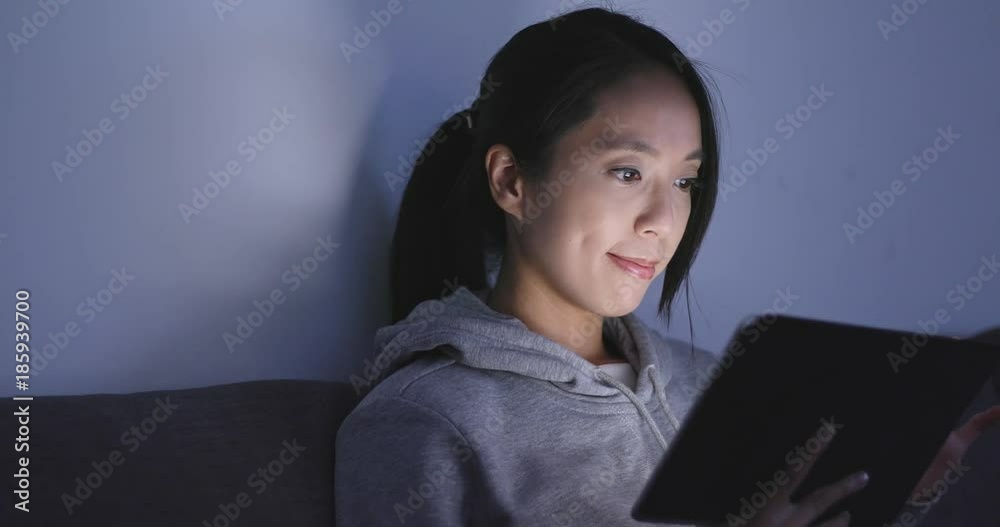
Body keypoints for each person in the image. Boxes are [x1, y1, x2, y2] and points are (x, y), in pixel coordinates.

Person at [335, 6, 999, 526]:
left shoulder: (709, 383)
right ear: (512, 182)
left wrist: (887, 493)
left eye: (685, 182)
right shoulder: (422, 421)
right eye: (627, 171)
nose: (663, 220)